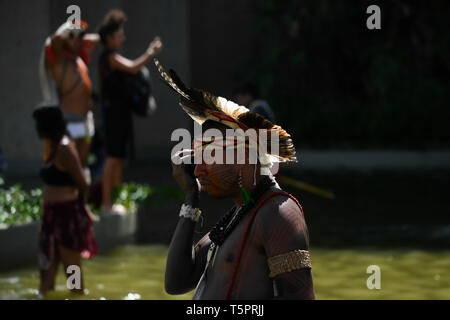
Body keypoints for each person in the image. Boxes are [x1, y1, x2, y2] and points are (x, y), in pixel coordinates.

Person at [156, 61, 315, 299]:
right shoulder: (237, 215)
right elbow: (176, 283)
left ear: (243, 156)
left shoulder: (280, 214)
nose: (198, 170)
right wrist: (191, 196)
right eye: (198, 158)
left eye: (210, 157)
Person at [97, 9, 163, 212]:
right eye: (119, 35)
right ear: (109, 38)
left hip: (121, 114)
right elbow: (134, 67)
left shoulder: (113, 56)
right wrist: (151, 51)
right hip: (112, 114)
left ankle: (115, 201)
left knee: (119, 158)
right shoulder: (108, 57)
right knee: (112, 158)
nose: (123, 38)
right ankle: (107, 203)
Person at [33, 104, 98, 295]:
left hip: (66, 214)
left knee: (72, 270)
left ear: (48, 125)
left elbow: (82, 182)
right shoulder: (51, 146)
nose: (36, 128)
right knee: (46, 269)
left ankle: (78, 296)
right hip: (50, 214)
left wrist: (82, 209)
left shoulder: (64, 148)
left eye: (39, 124)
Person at [39, 20, 100, 184]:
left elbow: (96, 39)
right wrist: (69, 32)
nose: (80, 40)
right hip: (68, 119)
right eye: (75, 37)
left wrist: (79, 35)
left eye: (80, 37)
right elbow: (56, 39)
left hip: (85, 120)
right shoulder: (57, 59)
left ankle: (81, 203)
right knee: (70, 164)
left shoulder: (79, 59)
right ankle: (70, 199)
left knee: (83, 162)